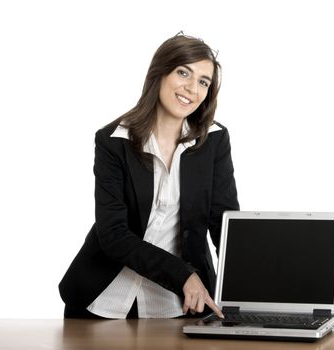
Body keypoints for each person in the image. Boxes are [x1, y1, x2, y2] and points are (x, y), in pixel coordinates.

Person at [58, 32, 239, 319]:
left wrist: (246, 295)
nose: (192, 88)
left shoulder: (213, 140)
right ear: (160, 72)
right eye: (183, 73)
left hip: (179, 303)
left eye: (203, 82)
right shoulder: (114, 140)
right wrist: (183, 274)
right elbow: (114, 234)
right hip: (103, 297)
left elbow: (224, 223)